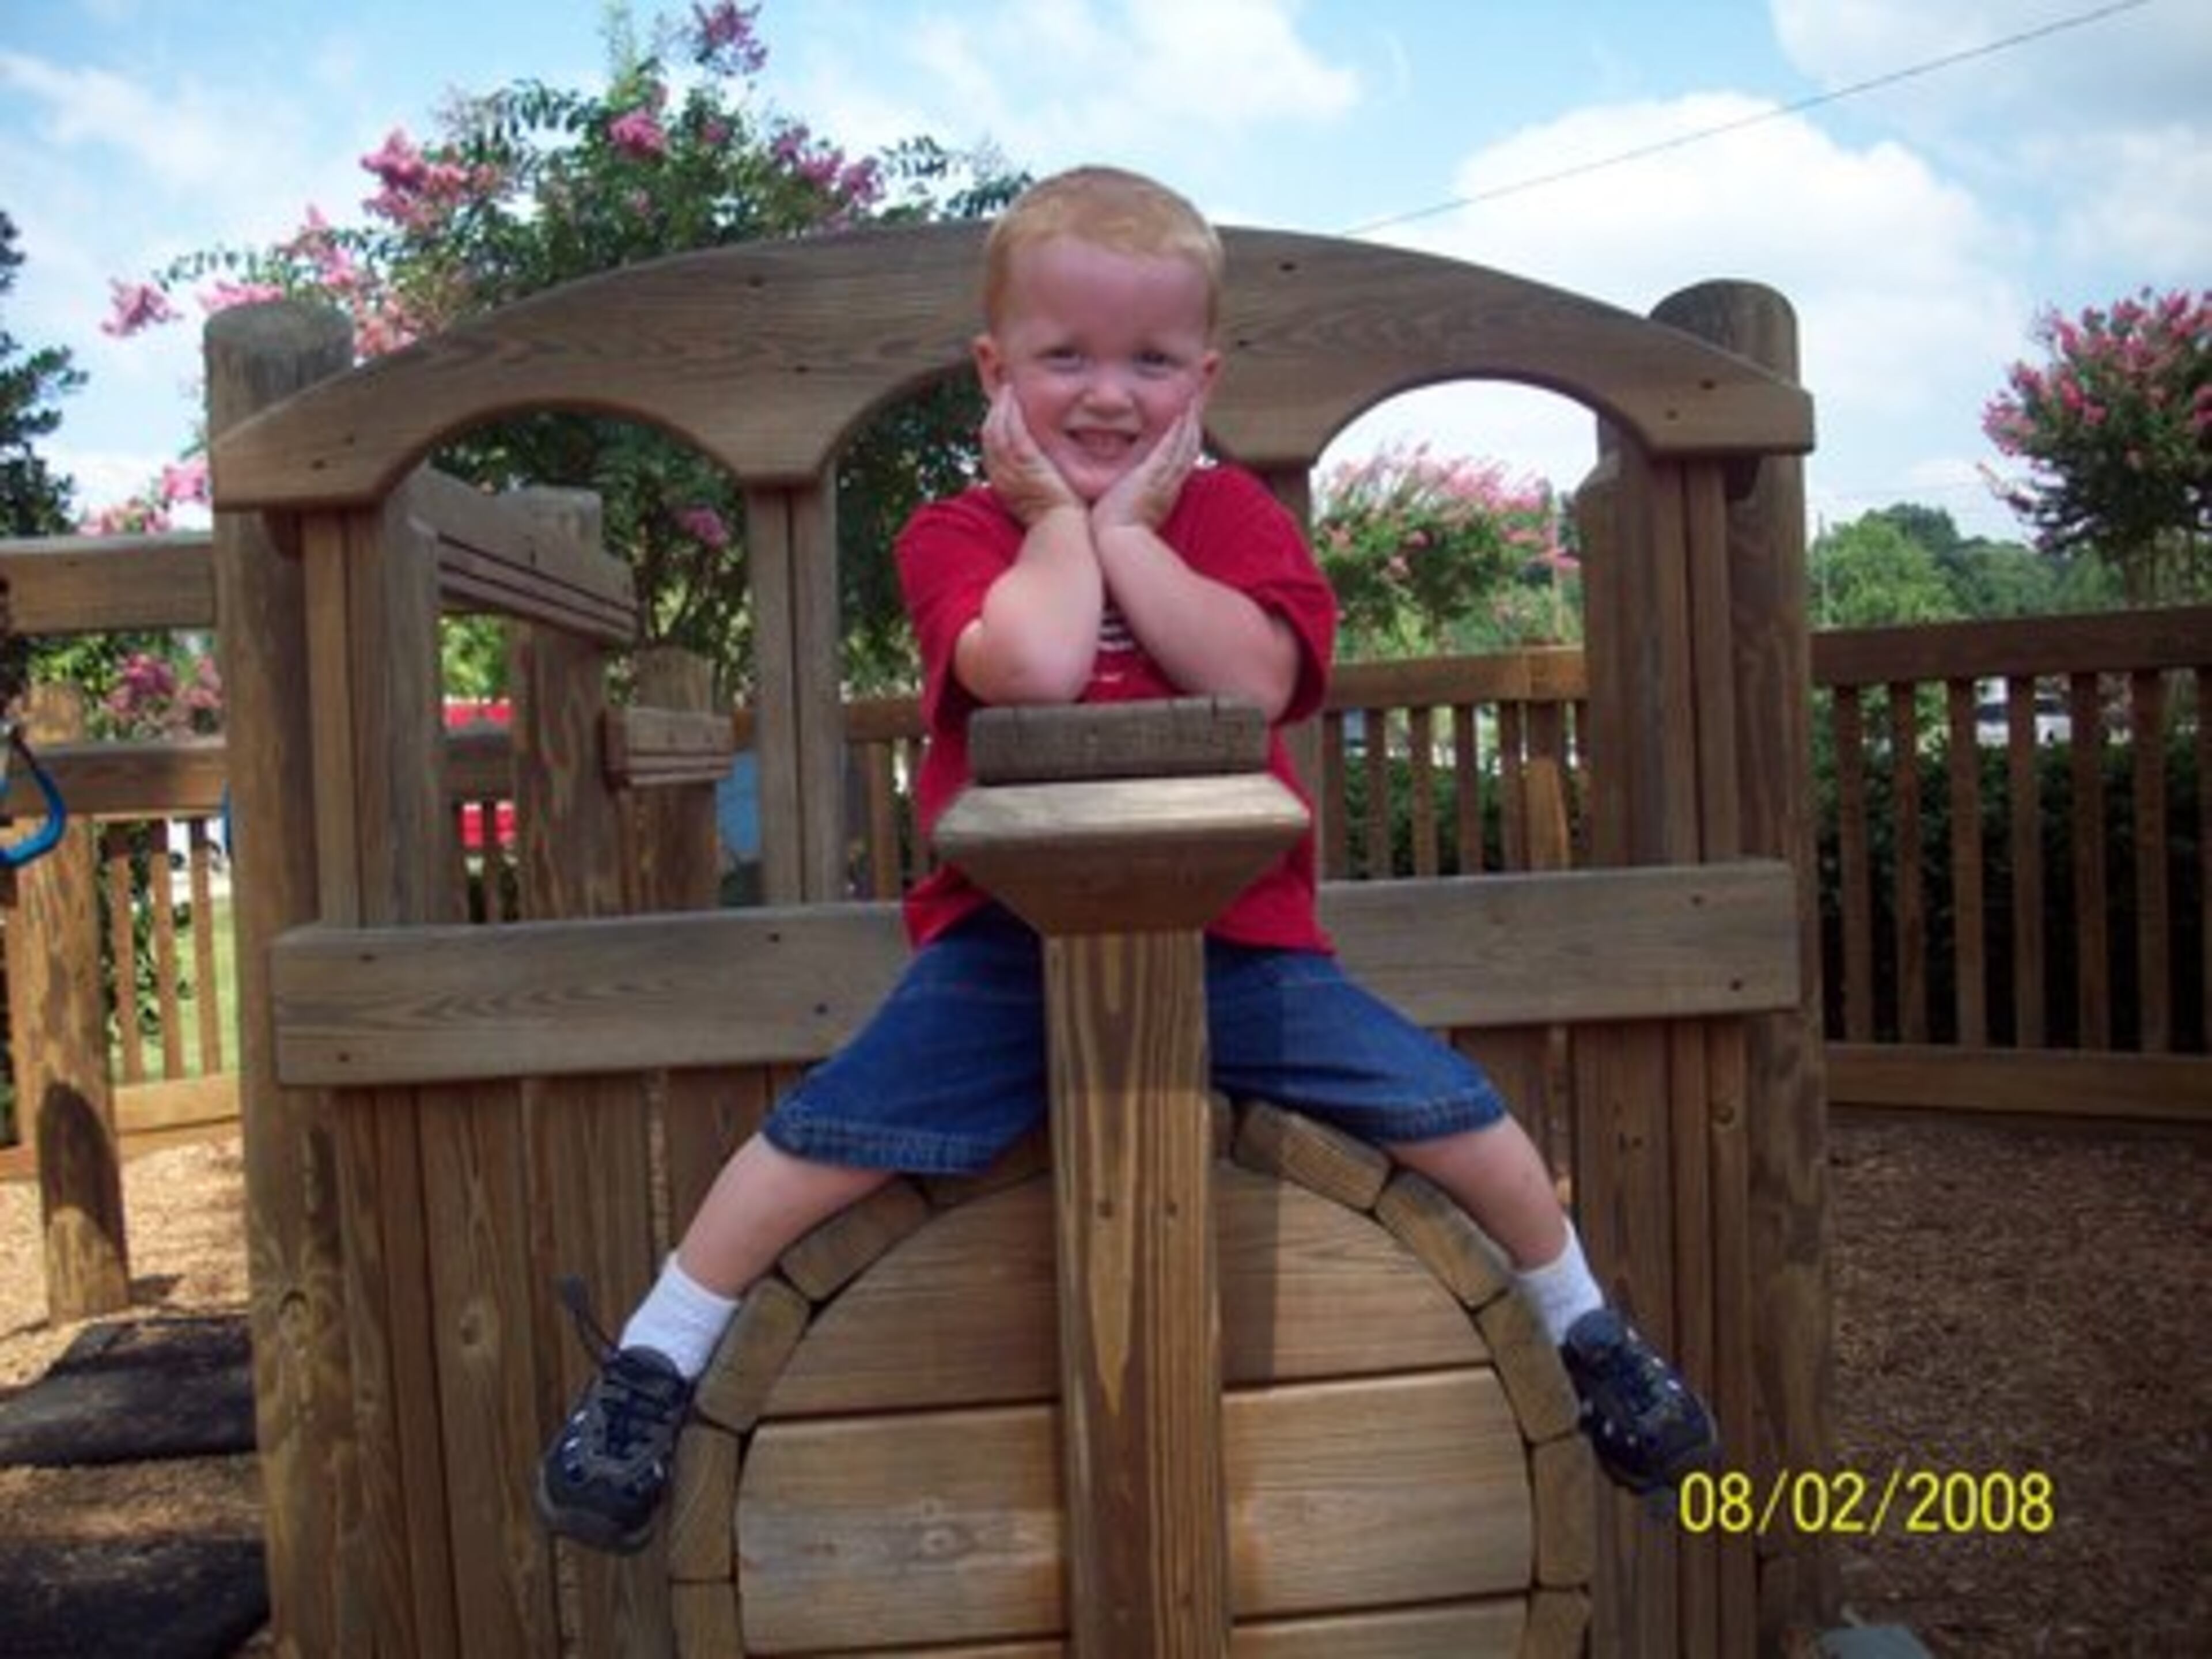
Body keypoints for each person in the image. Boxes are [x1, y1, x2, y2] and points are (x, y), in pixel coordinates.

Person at [536, 165, 1717, 1556]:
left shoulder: (1235, 527)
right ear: (995, 372)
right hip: (1006, 953)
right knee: (819, 1137)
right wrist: (1056, 523)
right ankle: (656, 1359)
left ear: (1204, 378)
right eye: (1065, 358)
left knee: (1461, 1116)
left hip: (1245, 945)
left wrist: (1127, 533)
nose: (1108, 395)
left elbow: (1261, 672)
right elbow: (1029, 666)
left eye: (1151, 363)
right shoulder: (956, 535)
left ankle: (1585, 1325)